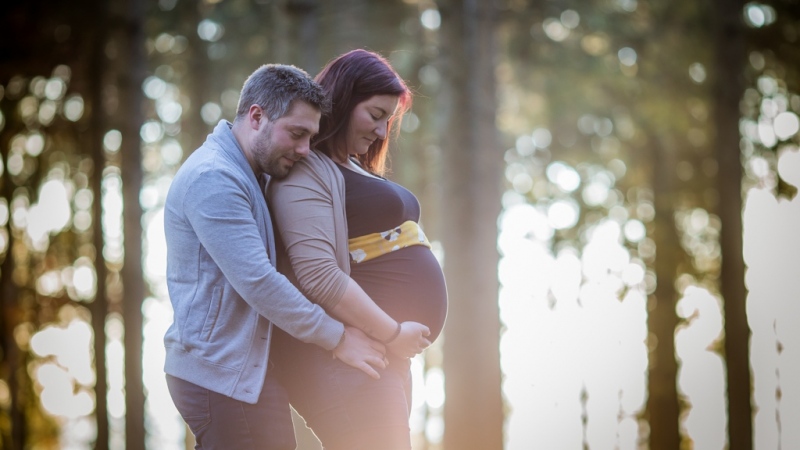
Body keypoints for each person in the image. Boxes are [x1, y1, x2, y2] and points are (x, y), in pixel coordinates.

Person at [162, 63, 426, 450]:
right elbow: (260, 282)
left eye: (311, 137)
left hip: (245, 368)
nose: (304, 150)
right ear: (256, 116)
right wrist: (338, 339)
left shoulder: (253, 172)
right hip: (220, 374)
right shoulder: (214, 178)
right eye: (297, 134)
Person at [268, 49, 449, 450]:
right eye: (375, 115)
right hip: (348, 359)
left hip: (382, 358)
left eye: (389, 121)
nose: (383, 133)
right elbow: (317, 274)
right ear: (343, 100)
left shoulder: (351, 166)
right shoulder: (306, 170)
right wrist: (393, 332)